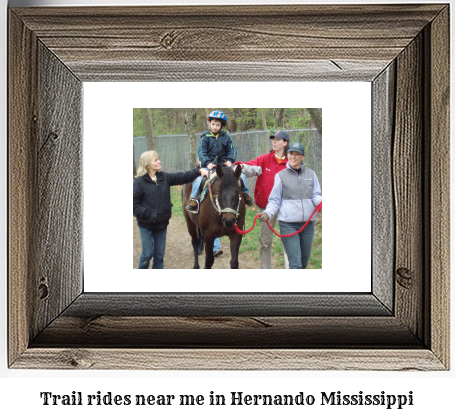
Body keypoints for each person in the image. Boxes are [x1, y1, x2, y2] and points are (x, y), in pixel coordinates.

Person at [185, 110, 253, 256]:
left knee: (242, 178)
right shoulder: (205, 137)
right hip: (209, 166)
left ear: (222, 126)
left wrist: (229, 160)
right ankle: (194, 200)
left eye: (218, 124)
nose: (215, 126)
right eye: (213, 124)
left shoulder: (226, 137)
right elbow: (202, 152)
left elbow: (232, 150)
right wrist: (207, 163)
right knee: (198, 180)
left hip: (225, 167)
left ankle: (246, 195)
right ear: (209, 123)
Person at [133, 150, 208, 269]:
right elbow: (134, 205)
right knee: (147, 254)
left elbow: (183, 176)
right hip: (146, 225)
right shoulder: (138, 182)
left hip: (161, 224)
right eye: (155, 160)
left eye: (158, 159)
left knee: (159, 255)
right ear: (148, 165)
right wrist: (149, 215)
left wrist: (198, 170)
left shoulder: (164, 177)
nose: (159, 161)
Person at [261, 142, 322, 269]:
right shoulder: (281, 176)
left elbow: (316, 195)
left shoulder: (311, 174)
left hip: (307, 224)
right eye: (291, 154)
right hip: (288, 224)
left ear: (303, 157)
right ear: (287, 155)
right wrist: (267, 213)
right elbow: (274, 200)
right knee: (295, 264)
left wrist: (321, 202)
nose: (293, 157)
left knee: (303, 263)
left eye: (297, 154)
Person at [235, 130, 290, 269]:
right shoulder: (265, 159)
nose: (274, 141)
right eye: (273, 139)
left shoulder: (291, 161)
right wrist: (241, 167)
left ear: (285, 143)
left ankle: (292, 268)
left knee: (289, 241)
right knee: (265, 241)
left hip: (287, 208)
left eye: (278, 139)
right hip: (266, 208)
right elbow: (250, 167)